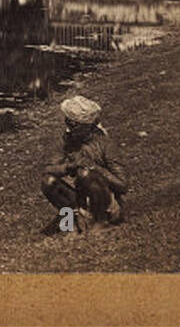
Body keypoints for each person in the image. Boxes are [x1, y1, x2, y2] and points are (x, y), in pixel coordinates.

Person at [41, 95, 127, 232]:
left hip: (105, 200)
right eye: (67, 122)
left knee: (85, 174)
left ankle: (101, 222)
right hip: (80, 198)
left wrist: (95, 169)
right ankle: (71, 221)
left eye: (73, 125)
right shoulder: (67, 141)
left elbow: (122, 185)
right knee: (48, 181)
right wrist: (69, 167)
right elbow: (48, 169)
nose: (68, 128)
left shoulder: (105, 144)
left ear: (87, 126)